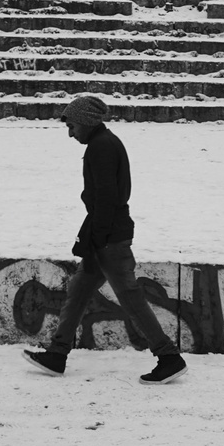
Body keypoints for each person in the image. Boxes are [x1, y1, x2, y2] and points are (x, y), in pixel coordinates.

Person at [24, 95, 188, 384]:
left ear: (86, 121)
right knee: (78, 292)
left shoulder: (102, 147)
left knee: (131, 298)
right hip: (105, 233)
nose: (70, 133)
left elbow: (107, 198)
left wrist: (95, 239)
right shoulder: (103, 143)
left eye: (72, 126)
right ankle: (57, 355)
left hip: (110, 238)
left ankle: (169, 357)